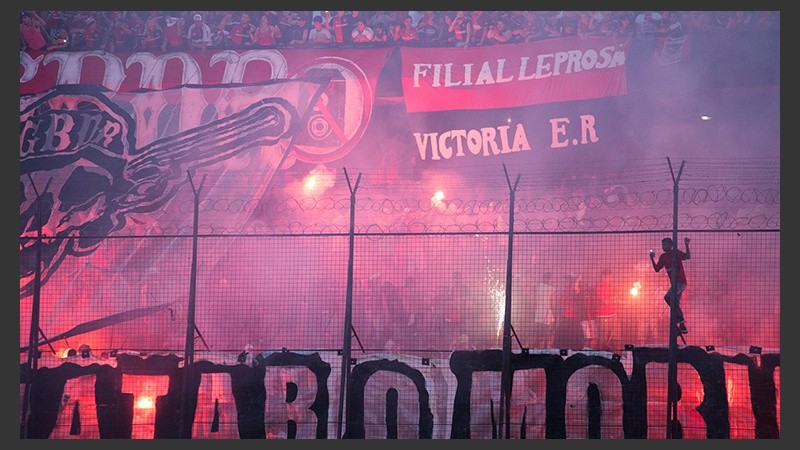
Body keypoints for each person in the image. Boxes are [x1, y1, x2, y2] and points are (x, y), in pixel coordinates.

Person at [650, 236, 691, 335]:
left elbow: (687, 256)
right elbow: (657, 269)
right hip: (674, 284)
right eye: (662, 245)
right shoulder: (663, 257)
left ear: (671, 245)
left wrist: (686, 245)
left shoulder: (675, 253)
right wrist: (652, 258)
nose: (663, 246)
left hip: (680, 282)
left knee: (668, 297)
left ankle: (679, 321)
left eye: (665, 244)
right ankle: (681, 326)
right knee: (674, 304)